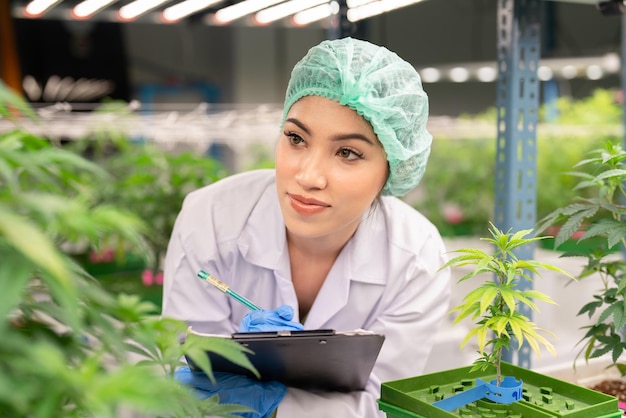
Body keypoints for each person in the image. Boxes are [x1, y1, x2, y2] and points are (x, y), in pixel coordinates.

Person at [162, 36, 451, 418]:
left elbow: (381, 402)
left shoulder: (416, 257)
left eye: (347, 152)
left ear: (392, 169)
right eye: (296, 138)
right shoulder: (211, 219)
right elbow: (186, 376)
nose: (309, 176)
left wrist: (274, 406)